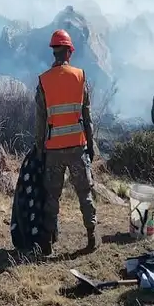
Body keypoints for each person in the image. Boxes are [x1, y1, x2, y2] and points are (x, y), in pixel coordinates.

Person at [34, 28, 98, 255]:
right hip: (77, 146)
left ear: (54, 52)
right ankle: (91, 237)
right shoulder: (80, 77)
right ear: (69, 52)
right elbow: (87, 116)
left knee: (52, 196)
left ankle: (47, 245)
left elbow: (40, 122)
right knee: (85, 193)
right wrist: (91, 146)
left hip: (53, 149)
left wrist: (39, 150)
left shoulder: (43, 81)